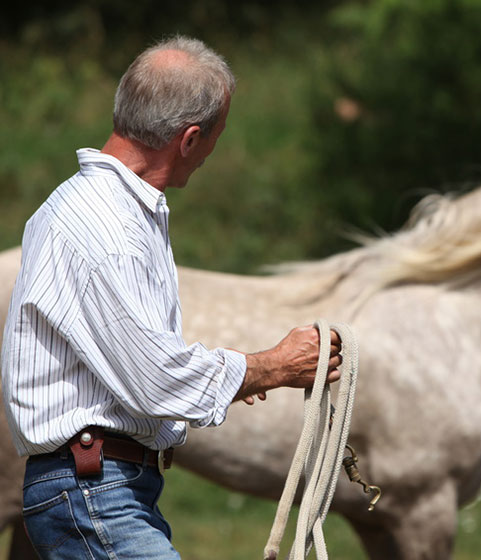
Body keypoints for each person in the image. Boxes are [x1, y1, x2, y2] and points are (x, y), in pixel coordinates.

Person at [0, 35, 342, 559]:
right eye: (215, 137)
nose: (211, 153)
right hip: (94, 491)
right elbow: (155, 379)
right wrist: (271, 367)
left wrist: (231, 376)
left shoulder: (102, 210)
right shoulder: (106, 227)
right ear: (188, 140)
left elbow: (127, 360)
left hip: (99, 488)